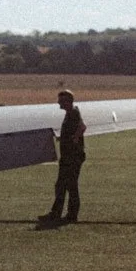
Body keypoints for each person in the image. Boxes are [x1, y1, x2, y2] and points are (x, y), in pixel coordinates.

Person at [41, 90, 86, 224]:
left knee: (70, 185)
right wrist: (64, 138)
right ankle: (57, 212)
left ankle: (70, 215)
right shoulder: (70, 113)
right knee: (62, 185)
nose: (58, 103)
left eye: (61, 101)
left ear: (68, 101)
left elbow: (82, 127)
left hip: (73, 157)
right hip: (68, 156)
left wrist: (75, 138)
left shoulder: (73, 112)